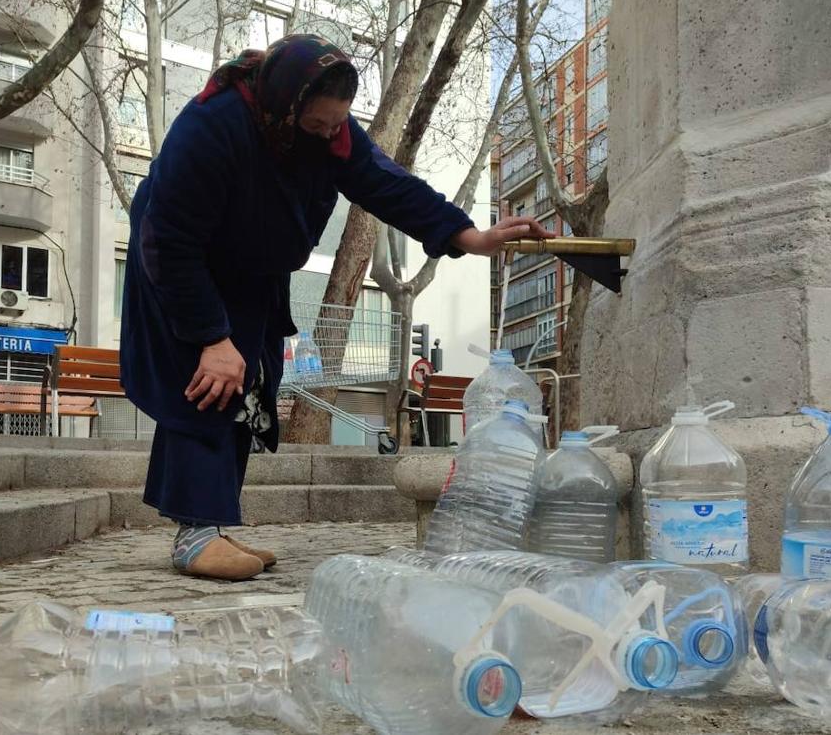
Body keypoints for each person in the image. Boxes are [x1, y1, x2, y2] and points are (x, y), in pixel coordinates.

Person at [121, 34, 553, 581]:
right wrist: (210, 335)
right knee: (208, 377)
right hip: (178, 262)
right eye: (318, 126)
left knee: (251, 378)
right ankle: (195, 536)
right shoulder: (211, 126)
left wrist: (469, 236)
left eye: (337, 125)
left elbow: (388, 184)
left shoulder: (330, 132)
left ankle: (214, 522)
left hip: (250, 267)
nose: (330, 136)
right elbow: (171, 238)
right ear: (284, 107)